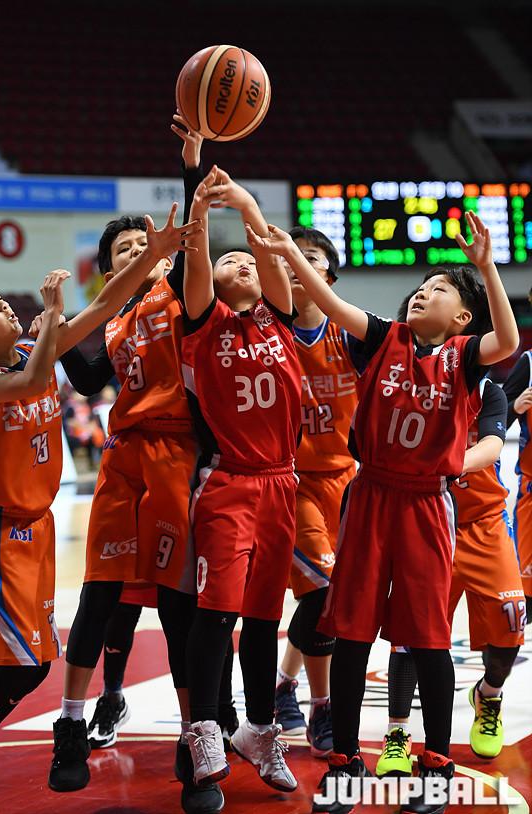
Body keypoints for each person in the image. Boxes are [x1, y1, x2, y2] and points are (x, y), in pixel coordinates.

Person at [245, 211, 519, 814]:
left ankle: (436, 765)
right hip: (369, 495)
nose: (424, 292)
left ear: (462, 318)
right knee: (351, 633)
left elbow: (507, 341)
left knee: (429, 641)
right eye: (421, 287)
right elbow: (325, 299)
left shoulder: (466, 357)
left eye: (440, 290)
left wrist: (485, 268)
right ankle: (345, 761)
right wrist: (286, 251)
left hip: (426, 503)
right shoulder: (381, 336)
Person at [0, 210, 197, 814]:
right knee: (25, 667)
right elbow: (30, 384)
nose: (3, 304)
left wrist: (149, 255)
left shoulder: (34, 346)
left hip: (40, 529)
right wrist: (53, 316)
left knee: (32, 663)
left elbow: (102, 310)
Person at [47, 116, 233, 814]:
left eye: (144, 245)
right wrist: (59, 323)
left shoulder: (187, 297)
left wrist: (192, 163)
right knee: (98, 594)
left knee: (180, 607)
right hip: (124, 458)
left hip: (179, 457)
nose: (138, 252)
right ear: (112, 269)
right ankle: (71, 724)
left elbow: (193, 233)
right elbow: (86, 378)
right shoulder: (117, 319)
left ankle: (195, 738)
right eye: (123, 250)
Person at [181, 166, 302, 795]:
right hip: (229, 481)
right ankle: (203, 727)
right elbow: (197, 262)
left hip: (282, 484)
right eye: (232, 260)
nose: (243, 263)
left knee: (262, 618)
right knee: (217, 612)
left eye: (248, 259)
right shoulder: (203, 322)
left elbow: (269, 253)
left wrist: (248, 203)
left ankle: (259, 728)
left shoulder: (281, 317)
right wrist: (203, 208)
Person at [375, 293, 524, 779]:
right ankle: (398, 733)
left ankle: (489, 694)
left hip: (482, 522)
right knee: (408, 636)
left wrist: (448, 463)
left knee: (510, 624)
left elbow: (492, 445)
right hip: (423, 517)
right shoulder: (402, 382)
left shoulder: (488, 389)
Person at [274, 227, 358, 760]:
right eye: (289, 258)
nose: (295, 265)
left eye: (308, 257)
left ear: (328, 275)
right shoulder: (270, 334)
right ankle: (322, 708)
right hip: (294, 481)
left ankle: (284, 682)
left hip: (347, 481)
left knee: (330, 598)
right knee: (323, 594)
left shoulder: (352, 335)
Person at [502, 289, 532, 624]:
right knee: (528, 594)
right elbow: (496, 419)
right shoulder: (528, 363)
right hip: (531, 493)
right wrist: (516, 406)